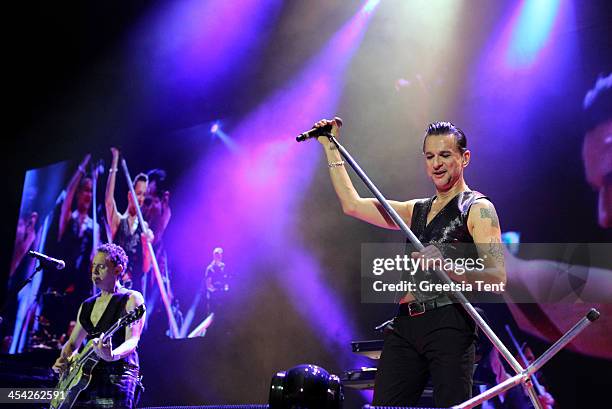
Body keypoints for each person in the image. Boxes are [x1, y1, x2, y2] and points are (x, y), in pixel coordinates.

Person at [315, 118, 506, 407]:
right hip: (406, 325)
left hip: (450, 322)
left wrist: (448, 267)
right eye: (430, 157)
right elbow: (352, 205)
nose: (436, 164)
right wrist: (331, 147)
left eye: (445, 155)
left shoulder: (478, 209)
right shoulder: (416, 210)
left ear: (464, 158)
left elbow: (497, 277)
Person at [52, 243, 145, 409]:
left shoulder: (132, 299)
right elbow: (73, 343)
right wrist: (64, 359)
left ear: (118, 270)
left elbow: (133, 340)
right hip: (89, 377)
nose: (94, 272)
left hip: (119, 375)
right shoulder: (87, 305)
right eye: (93, 266)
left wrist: (112, 355)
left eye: (101, 267)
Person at [44, 154, 100, 339]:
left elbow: (94, 257)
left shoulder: (94, 226)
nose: (87, 195)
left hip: (79, 290)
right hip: (60, 283)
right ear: (78, 193)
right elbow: (68, 196)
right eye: (84, 190)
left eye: (90, 191)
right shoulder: (69, 218)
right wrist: (82, 167)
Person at [105, 148, 154, 295]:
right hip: (116, 288)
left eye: (144, 195)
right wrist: (115, 161)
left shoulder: (145, 228)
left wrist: (146, 246)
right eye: (138, 193)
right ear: (129, 195)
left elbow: (146, 268)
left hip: (135, 292)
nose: (141, 199)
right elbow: (108, 201)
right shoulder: (119, 221)